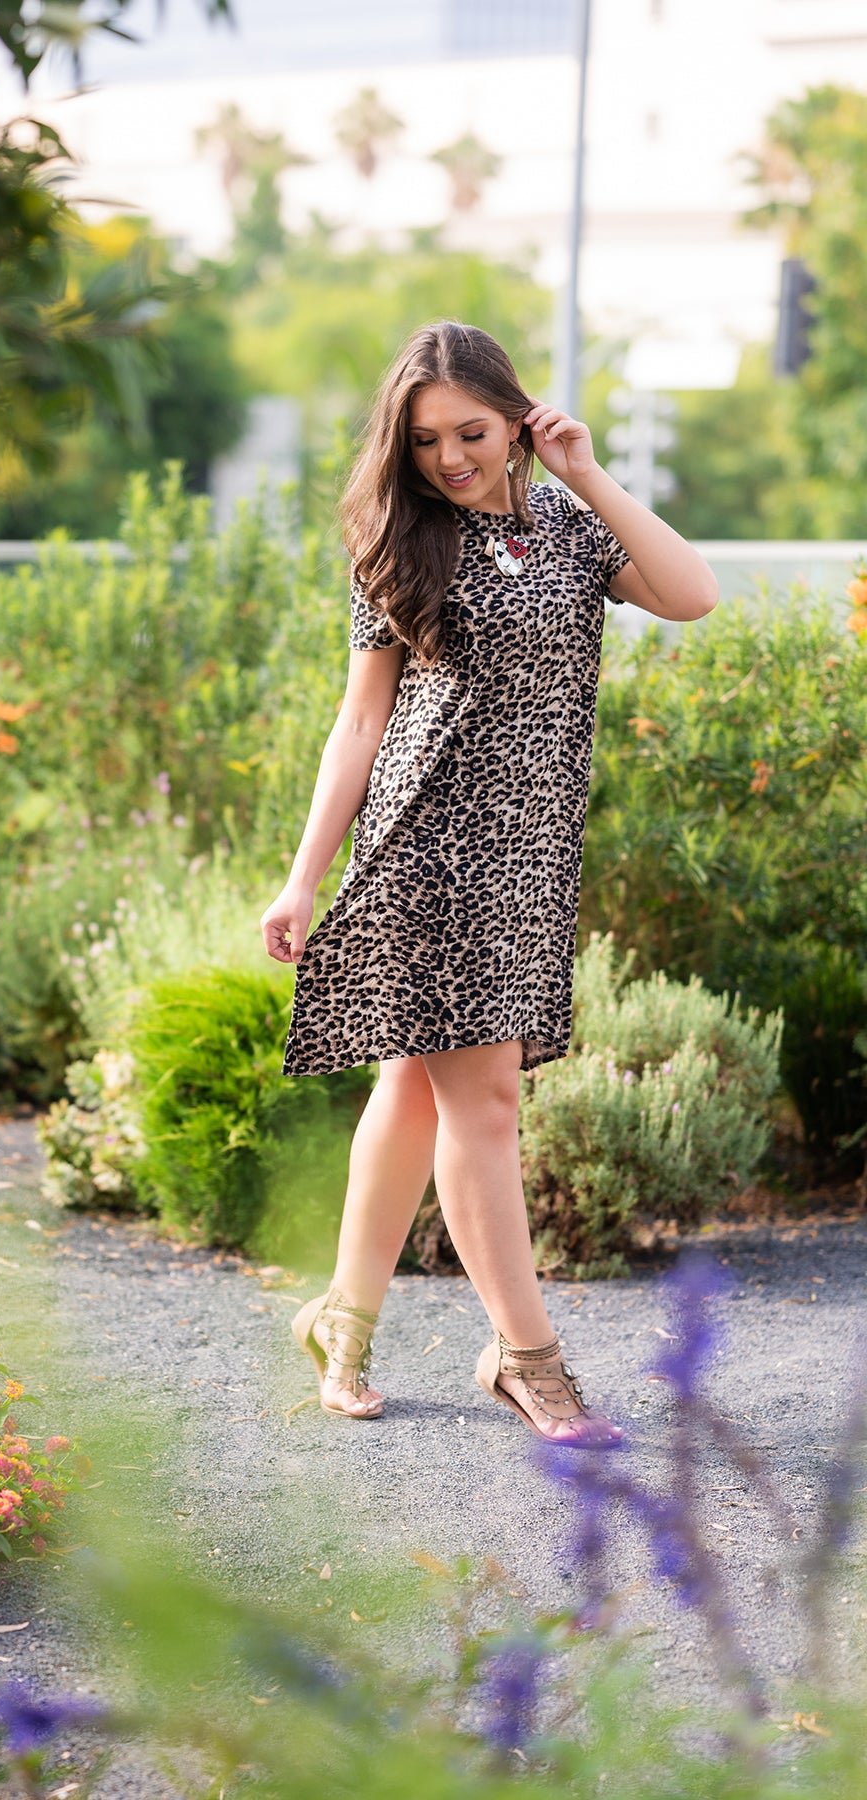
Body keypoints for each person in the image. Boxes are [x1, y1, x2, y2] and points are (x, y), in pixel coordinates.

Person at [259, 320, 718, 1447]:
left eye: (471, 432)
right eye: (425, 442)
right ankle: (529, 1360)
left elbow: (691, 593)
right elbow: (360, 720)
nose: (451, 458)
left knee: (415, 1092)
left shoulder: (568, 528)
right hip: (428, 844)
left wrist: (586, 469)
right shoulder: (401, 545)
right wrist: (302, 877)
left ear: (516, 419)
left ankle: (346, 1323)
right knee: (486, 1103)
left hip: (529, 854)